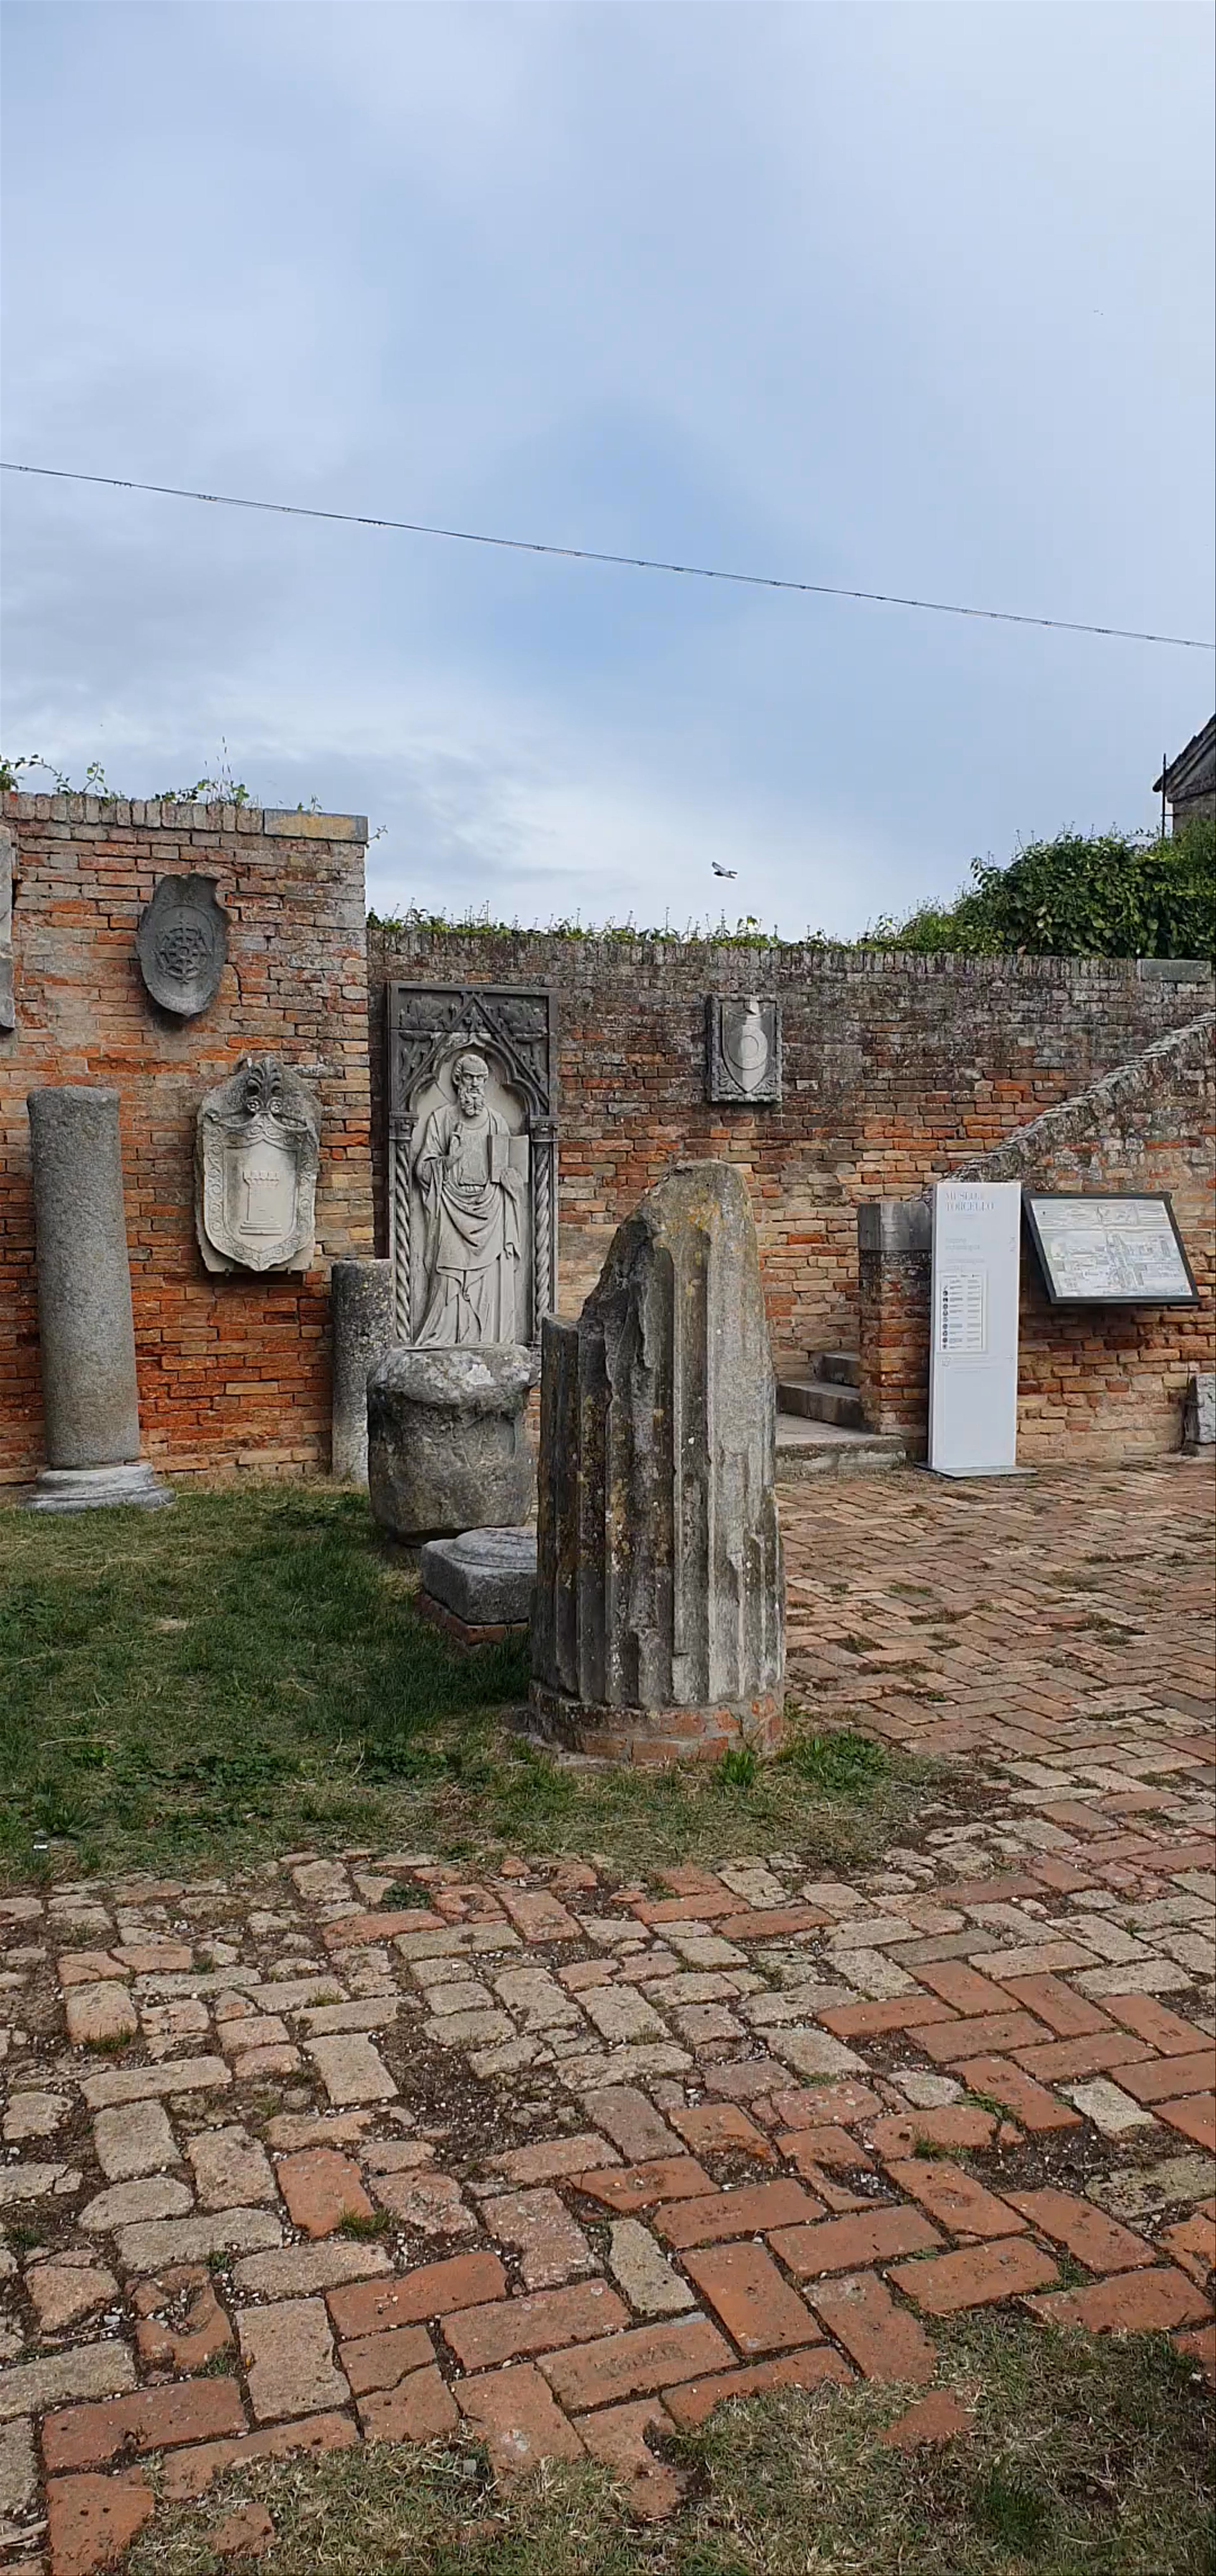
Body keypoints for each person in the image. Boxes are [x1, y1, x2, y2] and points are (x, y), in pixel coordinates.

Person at [413, 1051, 525, 1345]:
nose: (475, 1085)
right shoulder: (442, 1119)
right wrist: (449, 1160)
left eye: (481, 1079)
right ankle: (445, 1340)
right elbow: (422, 1170)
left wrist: (514, 1179)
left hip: (491, 1210)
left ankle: (489, 1342)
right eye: (470, 1078)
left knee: (490, 1282)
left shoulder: (498, 1121)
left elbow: (507, 1169)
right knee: (448, 1280)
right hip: (451, 1209)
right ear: (458, 1080)